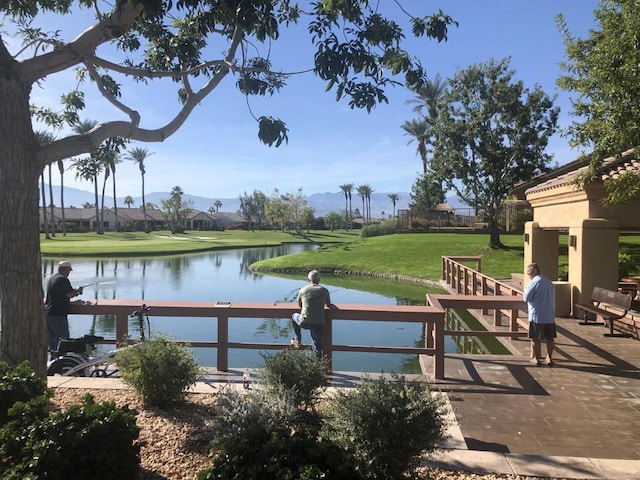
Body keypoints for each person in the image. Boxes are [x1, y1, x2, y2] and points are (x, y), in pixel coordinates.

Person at [45, 261, 83, 357]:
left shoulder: (52, 278)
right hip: (58, 315)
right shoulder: (63, 280)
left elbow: (59, 296)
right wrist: (78, 290)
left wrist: (74, 296)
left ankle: (53, 363)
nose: (69, 273)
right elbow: (69, 294)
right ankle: (61, 364)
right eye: (69, 270)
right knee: (63, 341)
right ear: (65, 269)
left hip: (48, 313)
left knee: (53, 342)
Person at [291, 270, 332, 359]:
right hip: (319, 323)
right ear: (319, 280)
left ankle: (297, 339)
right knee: (318, 347)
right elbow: (328, 304)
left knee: (294, 316)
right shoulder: (324, 290)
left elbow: (300, 305)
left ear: (308, 279)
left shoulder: (303, 290)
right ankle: (317, 367)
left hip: (304, 321)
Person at [523, 263, 556, 367]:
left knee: (535, 338)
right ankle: (549, 358)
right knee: (549, 338)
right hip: (549, 315)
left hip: (537, 315)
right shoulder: (548, 282)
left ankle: (536, 358)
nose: (528, 274)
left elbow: (526, 298)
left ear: (535, 271)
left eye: (529, 272)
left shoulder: (534, 283)